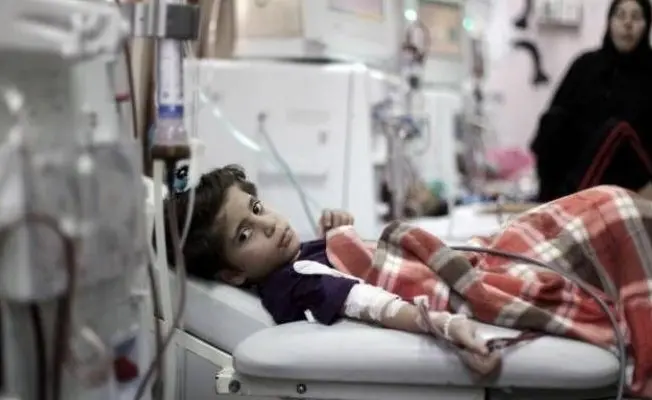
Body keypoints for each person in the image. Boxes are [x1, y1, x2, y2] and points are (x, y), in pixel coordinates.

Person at [164, 165, 501, 375]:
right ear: (232, 275)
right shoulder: (294, 283)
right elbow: (366, 301)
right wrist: (444, 325)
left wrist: (336, 238)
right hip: (448, 290)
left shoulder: (294, 263)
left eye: (257, 207)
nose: (268, 224)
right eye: (244, 234)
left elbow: (343, 270)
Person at [530, 0, 652, 202]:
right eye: (620, 15)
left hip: (633, 169)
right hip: (586, 167)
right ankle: (549, 201)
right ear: (609, 22)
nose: (627, 24)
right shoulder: (586, 65)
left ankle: (571, 204)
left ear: (647, 26)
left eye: (636, 17)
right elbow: (555, 118)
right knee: (554, 120)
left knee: (617, 131)